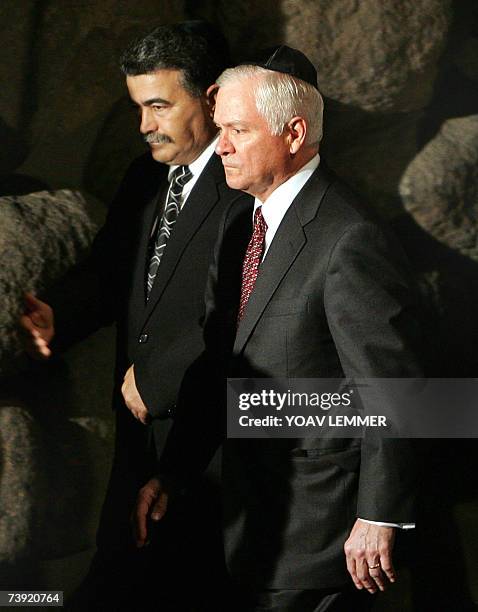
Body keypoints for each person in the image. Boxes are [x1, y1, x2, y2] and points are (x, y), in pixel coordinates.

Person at [134, 46, 424, 611]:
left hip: (324, 536)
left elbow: (394, 391)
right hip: (246, 526)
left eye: (238, 129)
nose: (222, 147)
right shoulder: (241, 222)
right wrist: (174, 472)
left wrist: (379, 514)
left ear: (293, 133)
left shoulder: (350, 238)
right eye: (220, 129)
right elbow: (222, 359)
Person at [20, 21, 251, 611]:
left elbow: (248, 314)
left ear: (212, 98)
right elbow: (111, 272)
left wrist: (161, 377)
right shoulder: (144, 175)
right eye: (138, 107)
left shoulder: (252, 190)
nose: (143, 125)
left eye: (157, 106)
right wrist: (57, 315)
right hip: (138, 443)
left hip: (211, 453)